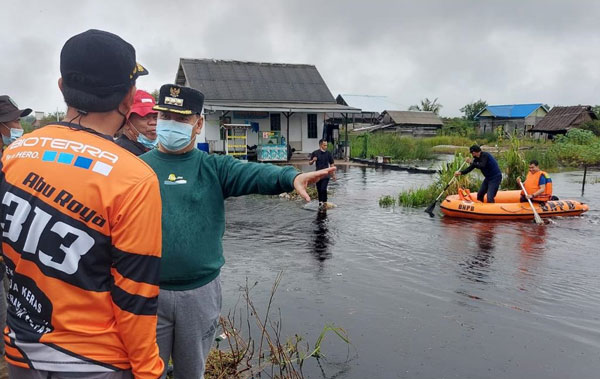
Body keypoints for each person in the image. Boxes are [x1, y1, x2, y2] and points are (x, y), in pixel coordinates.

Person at [140, 84, 334, 379]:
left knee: (191, 372)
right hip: (145, 292)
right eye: (165, 116)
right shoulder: (134, 169)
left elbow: (254, 173)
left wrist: (290, 176)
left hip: (200, 293)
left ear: (199, 123)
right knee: (144, 373)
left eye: (181, 119)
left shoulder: (214, 168)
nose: (171, 124)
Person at [0, 29, 164, 378]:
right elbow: (135, 295)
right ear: (128, 98)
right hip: (94, 362)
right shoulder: (134, 178)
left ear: (62, 87)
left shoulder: (16, 152)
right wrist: (149, 371)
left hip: (21, 349)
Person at [115, 89, 158, 155]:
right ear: (127, 123)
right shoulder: (121, 151)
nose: (153, 123)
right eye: (144, 117)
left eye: (156, 118)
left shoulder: (152, 150)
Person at [309, 139, 336, 208]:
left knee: (323, 189)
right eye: (324, 145)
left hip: (326, 175)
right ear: (320, 145)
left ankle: (325, 202)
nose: (326, 146)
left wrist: (333, 174)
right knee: (319, 189)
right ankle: (320, 202)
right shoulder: (315, 153)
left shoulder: (328, 153)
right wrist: (313, 160)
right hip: (318, 175)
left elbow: (332, 164)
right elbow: (310, 163)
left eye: (326, 145)